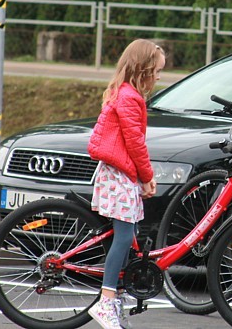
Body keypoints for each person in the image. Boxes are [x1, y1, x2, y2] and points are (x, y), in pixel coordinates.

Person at [86, 39, 165, 329]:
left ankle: (115, 297)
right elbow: (135, 143)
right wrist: (147, 176)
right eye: (156, 71)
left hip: (119, 173)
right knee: (122, 236)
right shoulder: (130, 98)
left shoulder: (123, 92)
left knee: (128, 234)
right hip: (119, 174)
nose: (159, 76)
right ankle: (106, 300)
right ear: (143, 70)